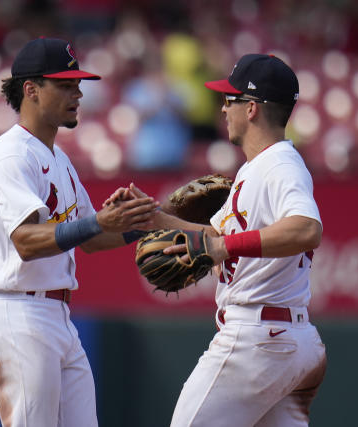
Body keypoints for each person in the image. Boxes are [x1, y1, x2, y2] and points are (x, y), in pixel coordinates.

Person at [113, 53, 326, 426]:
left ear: (253, 109)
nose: (223, 108)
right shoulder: (256, 167)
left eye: (231, 99)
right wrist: (155, 219)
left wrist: (222, 246)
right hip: (286, 339)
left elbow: (307, 229)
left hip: (257, 339)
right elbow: (217, 236)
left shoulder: (280, 165)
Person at [0, 37, 157, 427]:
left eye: (78, 85)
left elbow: (92, 239)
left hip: (56, 315)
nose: (78, 93)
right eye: (66, 84)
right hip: (19, 309)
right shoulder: (11, 154)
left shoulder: (59, 158)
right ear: (31, 90)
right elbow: (25, 240)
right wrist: (98, 222)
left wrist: (141, 222)